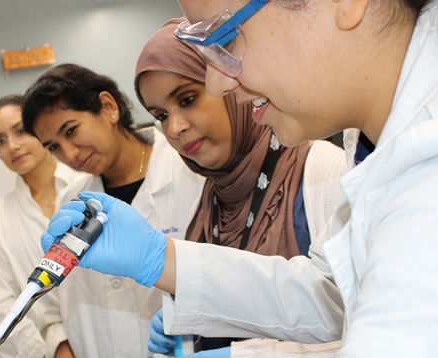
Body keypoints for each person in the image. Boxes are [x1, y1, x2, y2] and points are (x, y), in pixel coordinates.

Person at [45, 0, 438, 356]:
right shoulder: (376, 142)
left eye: (225, 37)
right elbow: (330, 294)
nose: (217, 82)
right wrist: (161, 259)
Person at [133, 18, 346, 354]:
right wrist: (188, 328)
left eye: (187, 99)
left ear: (230, 85)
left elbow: (359, 326)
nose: (174, 127)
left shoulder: (323, 173)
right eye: (160, 115)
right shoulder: (205, 205)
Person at [21, 63, 205, 357]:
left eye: (71, 130)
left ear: (108, 107)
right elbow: (58, 300)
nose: (69, 154)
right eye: (54, 147)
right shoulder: (73, 199)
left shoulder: (190, 172)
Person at [0, 94, 88, 358]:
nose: (12, 146)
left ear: (40, 129)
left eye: (21, 131)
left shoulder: (87, 186)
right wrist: (55, 347)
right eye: (0, 141)